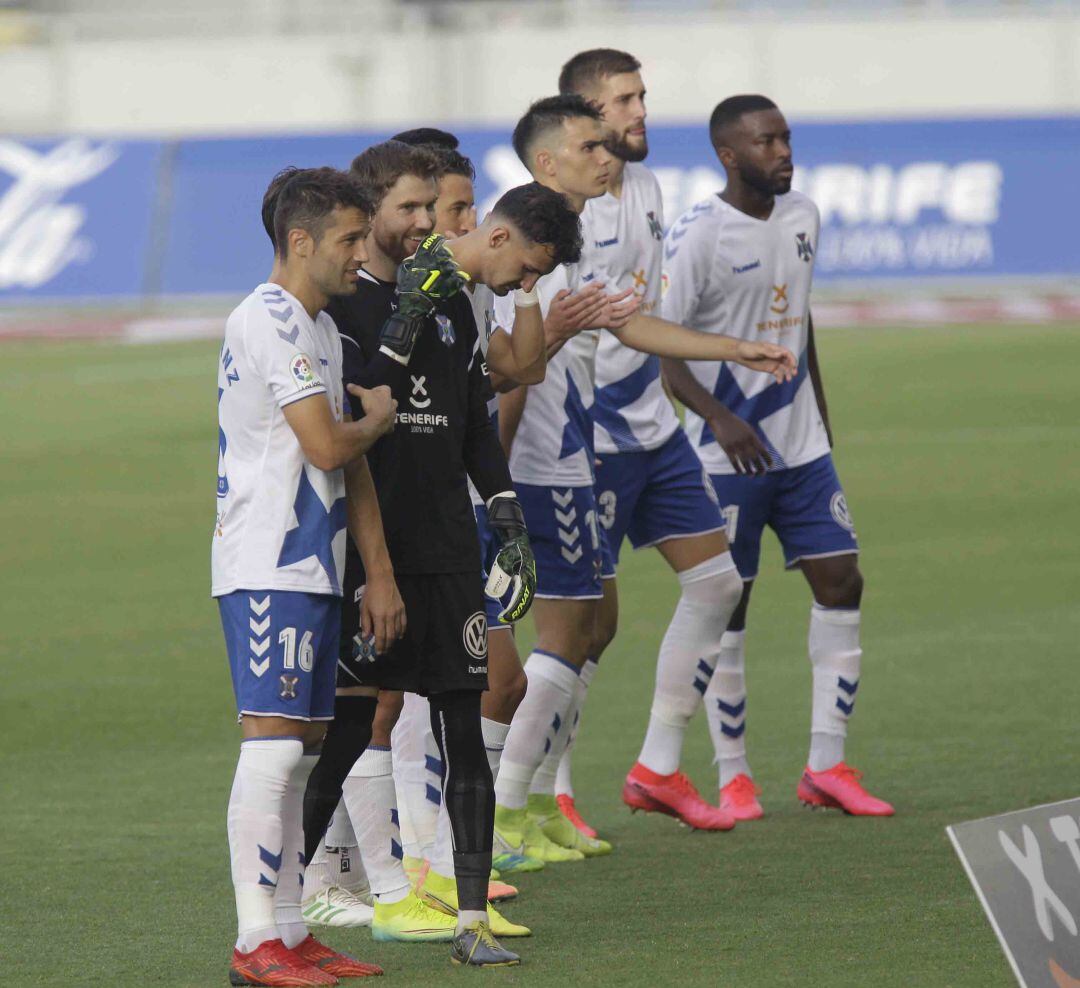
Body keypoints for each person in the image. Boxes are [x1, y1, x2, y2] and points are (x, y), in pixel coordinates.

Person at [491, 95, 797, 860]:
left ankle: (532, 803)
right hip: (544, 462)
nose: (609, 156)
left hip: (579, 451)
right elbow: (507, 369)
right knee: (563, 639)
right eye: (592, 144)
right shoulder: (516, 246)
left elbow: (626, 324)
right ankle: (503, 812)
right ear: (546, 161)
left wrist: (731, 349)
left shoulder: (573, 241)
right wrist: (492, 475)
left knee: (594, 628)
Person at [305, 139, 584, 967]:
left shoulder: (462, 302)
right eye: (413, 210)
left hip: (449, 548)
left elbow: (469, 419)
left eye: (436, 209)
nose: (428, 224)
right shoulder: (343, 305)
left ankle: (470, 920)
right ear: (370, 213)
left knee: (465, 726)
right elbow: (363, 416)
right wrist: (402, 323)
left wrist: (505, 513)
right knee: (351, 728)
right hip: (370, 553)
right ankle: (288, 906)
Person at [661, 95, 894, 818]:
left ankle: (827, 763)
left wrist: (818, 409)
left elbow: (801, 318)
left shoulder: (805, 217)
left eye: (787, 138)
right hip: (727, 454)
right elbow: (663, 351)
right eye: (767, 142)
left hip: (802, 449)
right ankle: (734, 772)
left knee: (841, 581)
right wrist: (722, 420)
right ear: (730, 154)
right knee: (730, 603)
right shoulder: (697, 235)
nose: (784, 152)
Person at [544, 48, 755, 835]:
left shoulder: (652, 188)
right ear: (582, 116)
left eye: (642, 96)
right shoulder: (557, 211)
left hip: (653, 433)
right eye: (624, 101)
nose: (640, 111)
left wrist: (705, 374)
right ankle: (549, 792)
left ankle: (657, 768)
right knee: (585, 626)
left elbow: (643, 315)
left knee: (717, 584)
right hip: (586, 437)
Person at [214, 166, 398, 986]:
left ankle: (291, 931)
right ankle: (256, 941)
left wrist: (378, 573)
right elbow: (330, 447)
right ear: (300, 242)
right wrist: (377, 421)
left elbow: (346, 469)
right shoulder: (270, 319)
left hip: (313, 566)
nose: (363, 254)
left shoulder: (321, 328)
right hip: (267, 561)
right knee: (274, 745)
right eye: (349, 240)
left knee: (307, 744)